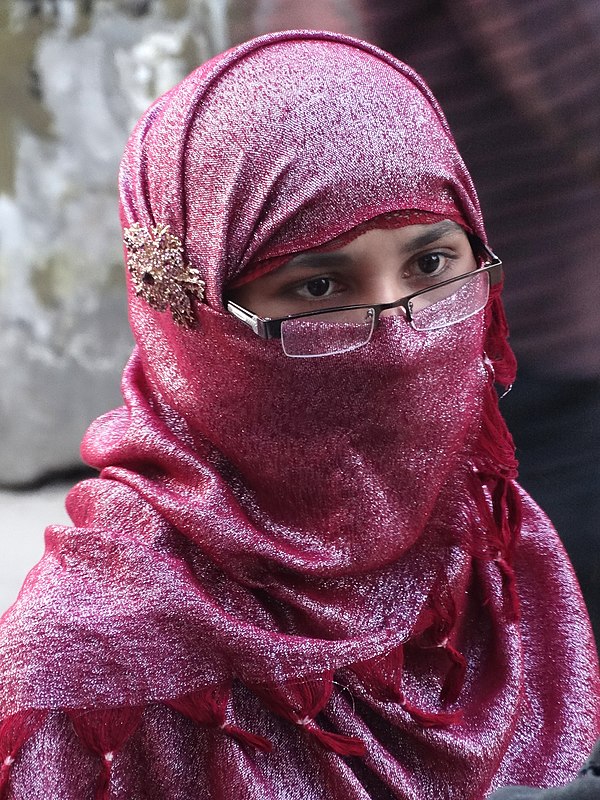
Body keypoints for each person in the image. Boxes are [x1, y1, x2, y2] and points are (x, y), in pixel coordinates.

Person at [0, 30, 598, 799]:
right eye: (319, 288)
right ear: (196, 323)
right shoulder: (93, 664)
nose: (400, 339)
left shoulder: (489, 546)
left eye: (431, 263)